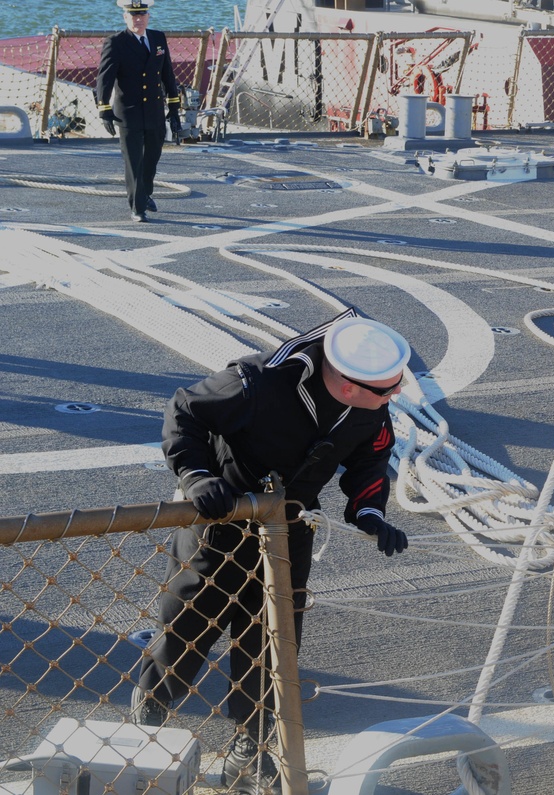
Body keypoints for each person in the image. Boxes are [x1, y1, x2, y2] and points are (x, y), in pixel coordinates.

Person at [132, 311, 410, 793]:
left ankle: (250, 745)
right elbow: (186, 410)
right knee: (187, 625)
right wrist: (198, 476)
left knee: (272, 641)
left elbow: (371, 457)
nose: (397, 394)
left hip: (288, 526)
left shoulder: (370, 404)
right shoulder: (257, 382)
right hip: (219, 521)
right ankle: (151, 709)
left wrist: (369, 512)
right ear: (348, 385)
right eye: (387, 390)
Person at [95, 0, 182, 223]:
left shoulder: (158, 39)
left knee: (152, 159)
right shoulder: (115, 43)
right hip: (129, 113)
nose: (138, 19)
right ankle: (137, 207)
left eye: (142, 14)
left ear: (148, 16)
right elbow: (105, 79)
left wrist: (173, 109)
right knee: (134, 162)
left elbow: (167, 75)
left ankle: (145, 193)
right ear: (125, 17)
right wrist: (104, 109)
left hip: (154, 111)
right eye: (133, 15)